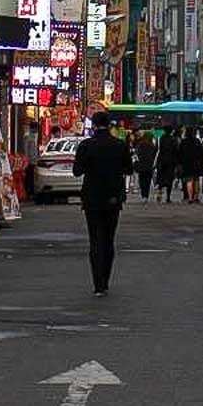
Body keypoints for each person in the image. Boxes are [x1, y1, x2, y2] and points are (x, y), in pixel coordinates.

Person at [73, 111, 133, 296]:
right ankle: (105, 280)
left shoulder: (86, 145)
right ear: (109, 125)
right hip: (113, 197)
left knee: (95, 240)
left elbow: (77, 171)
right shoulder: (119, 145)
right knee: (108, 238)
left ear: (94, 125)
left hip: (91, 197)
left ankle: (98, 283)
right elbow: (129, 169)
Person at [178, 127, 203, 203]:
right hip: (196, 163)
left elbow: (180, 153)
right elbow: (202, 153)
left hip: (187, 164)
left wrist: (180, 163)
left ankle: (190, 198)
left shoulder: (184, 142)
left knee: (189, 180)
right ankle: (196, 197)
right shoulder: (197, 141)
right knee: (196, 180)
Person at [155, 128, 178, 204]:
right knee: (170, 179)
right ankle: (168, 197)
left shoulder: (161, 139)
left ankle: (159, 191)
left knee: (161, 178)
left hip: (162, 161)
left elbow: (158, 150)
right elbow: (175, 151)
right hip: (171, 162)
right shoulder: (173, 139)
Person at [134, 131, 157, 203]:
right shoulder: (152, 145)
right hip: (149, 166)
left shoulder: (140, 144)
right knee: (147, 181)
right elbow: (154, 154)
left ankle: (143, 195)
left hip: (141, 165)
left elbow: (137, 153)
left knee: (142, 181)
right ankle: (146, 195)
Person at [22, 123, 40, 201]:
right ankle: (29, 193)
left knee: (32, 177)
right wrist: (26, 160)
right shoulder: (27, 136)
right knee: (29, 177)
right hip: (29, 161)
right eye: (36, 128)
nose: (37, 130)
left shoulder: (34, 136)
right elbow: (26, 149)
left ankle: (31, 193)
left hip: (33, 160)